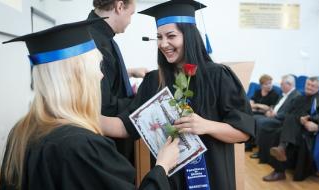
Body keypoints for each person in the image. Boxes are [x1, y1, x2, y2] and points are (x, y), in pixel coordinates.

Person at [0, 19, 179, 190]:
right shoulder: (81, 146)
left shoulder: (21, 132)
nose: (101, 75)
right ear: (78, 76)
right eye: (97, 67)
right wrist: (162, 167)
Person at [108, 1, 254, 189]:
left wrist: (205, 125)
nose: (163, 44)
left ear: (190, 36)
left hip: (213, 179)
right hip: (169, 181)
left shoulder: (217, 76)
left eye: (171, 36)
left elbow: (243, 132)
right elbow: (128, 126)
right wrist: (80, 117)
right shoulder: (154, 80)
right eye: (159, 37)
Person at [88, 0, 148, 162]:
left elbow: (106, 76)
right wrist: (143, 101)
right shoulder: (97, 44)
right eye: (131, 14)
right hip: (106, 146)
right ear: (119, 6)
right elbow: (104, 106)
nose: (130, 21)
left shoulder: (97, 34)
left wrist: (128, 73)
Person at [257, 77, 319, 181]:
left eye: (313, 86)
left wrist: (307, 120)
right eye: (308, 85)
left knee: (281, 132)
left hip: (305, 130)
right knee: (274, 130)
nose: (309, 87)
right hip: (292, 127)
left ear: (318, 88)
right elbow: (288, 112)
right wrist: (298, 118)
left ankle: (280, 164)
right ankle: (275, 162)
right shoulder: (299, 98)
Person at [249, 74, 300, 159]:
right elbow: (275, 106)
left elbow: (290, 113)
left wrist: (275, 114)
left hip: (281, 120)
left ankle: (261, 151)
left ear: (289, 85)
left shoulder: (295, 96)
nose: (280, 86)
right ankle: (252, 144)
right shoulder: (284, 94)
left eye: (282, 84)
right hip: (273, 115)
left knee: (260, 121)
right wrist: (270, 111)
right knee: (254, 118)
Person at [245, 74, 279, 151]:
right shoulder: (257, 92)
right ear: (261, 85)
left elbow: (269, 108)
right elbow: (250, 104)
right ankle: (248, 142)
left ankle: (250, 144)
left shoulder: (274, 94)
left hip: (265, 114)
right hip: (256, 112)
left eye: (270, 83)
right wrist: (260, 106)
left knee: (252, 118)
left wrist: (256, 105)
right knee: (246, 116)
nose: (269, 85)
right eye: (266, 84)